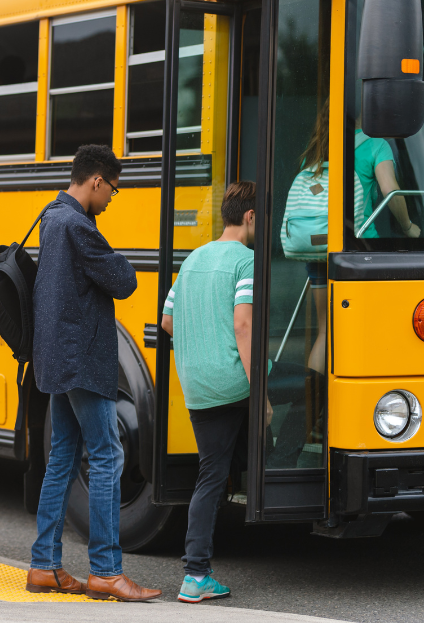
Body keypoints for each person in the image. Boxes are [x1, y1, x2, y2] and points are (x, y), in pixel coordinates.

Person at [29, 145, 159, 601]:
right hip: (82, 361)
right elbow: (125, 280)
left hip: (56, 360)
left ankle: (44, 565)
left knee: (63, 458)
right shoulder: (78, 226)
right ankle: (105, 570)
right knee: (107, 457)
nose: (110, 201)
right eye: (112, 192)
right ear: (97, 181)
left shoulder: (51, 218)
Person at [160, 181, 271, 602]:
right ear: (250, 217)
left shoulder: (194, 259)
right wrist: (260, 394)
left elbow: (168, 323)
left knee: (211, 472)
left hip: (197, 382)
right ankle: (196, 573)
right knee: (302, 388)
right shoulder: (247, 261)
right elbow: (243, 327)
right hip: (232, 381)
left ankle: (197, 573)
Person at [298, 99, 420, 373]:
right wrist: (408, 226)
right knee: (374, 333)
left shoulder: (316, 151)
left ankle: (318, 404)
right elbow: (391, 191)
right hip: (363, 249)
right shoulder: (377, 145)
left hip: (321, 250)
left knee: (325, 333)